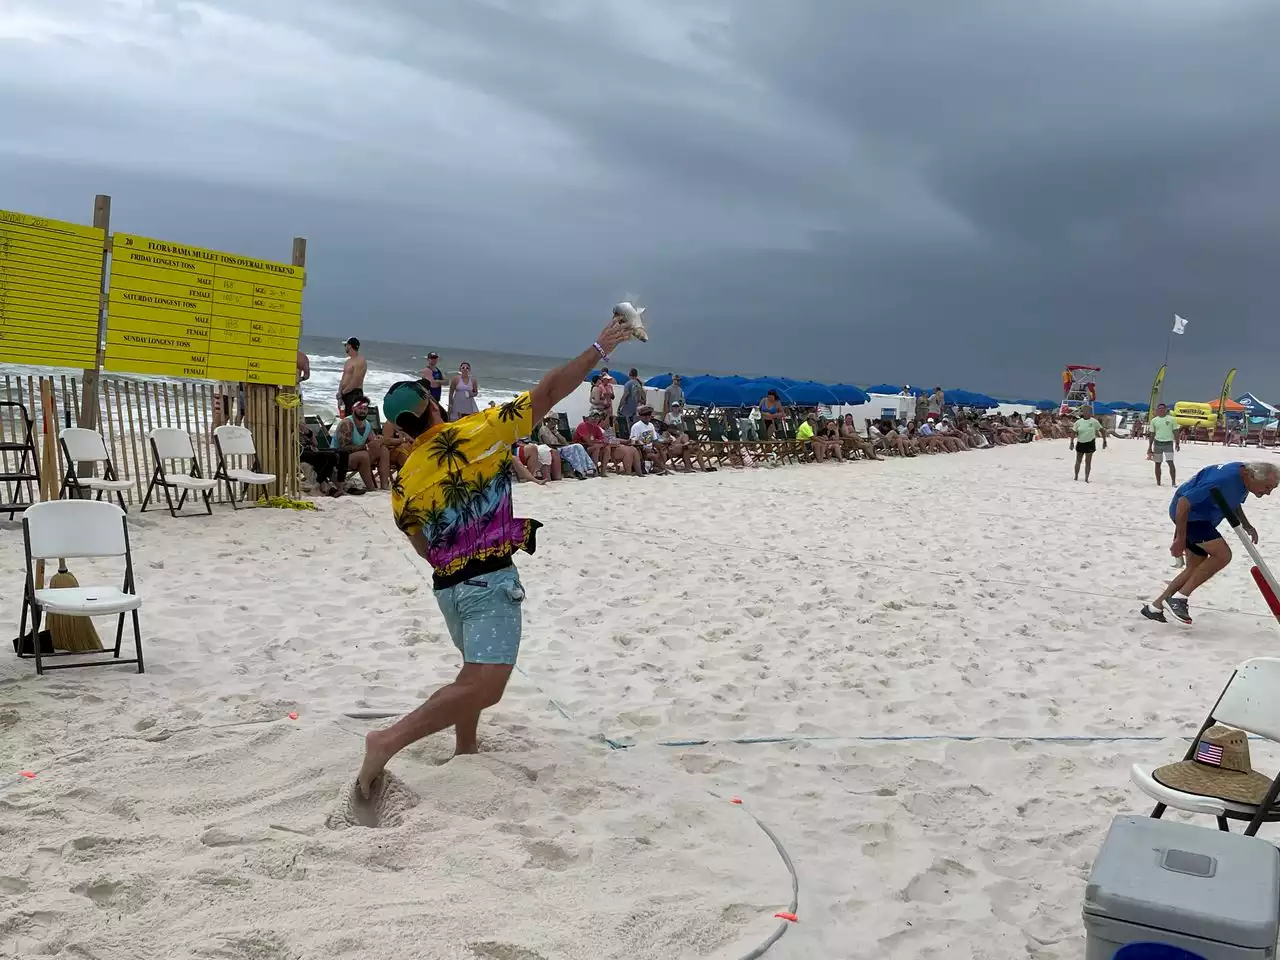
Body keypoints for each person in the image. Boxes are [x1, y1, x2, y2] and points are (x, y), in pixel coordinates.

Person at [356, 314, 634, 796]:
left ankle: (466, 749)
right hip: (489, 579)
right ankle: (387, 740)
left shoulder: (404, 478)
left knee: (472, 671)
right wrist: (599, 347)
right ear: (433, 406)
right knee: (488, 685)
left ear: (399, 426)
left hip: (448, 588)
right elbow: (548, 392)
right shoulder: (474, 433)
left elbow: (420, 545)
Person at [1141, 462, 1279, 624]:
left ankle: (1154, 608)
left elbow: (1230, 501)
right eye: (1268, 487)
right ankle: (1179, 599)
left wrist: (1246, 525)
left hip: (1202, 518)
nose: (1268, 493)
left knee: (1195, 567)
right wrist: (1180, 537)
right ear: (1253, 476)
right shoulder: (1223, 479)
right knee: (1223, 555)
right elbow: (1183, 502)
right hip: (1190, 517)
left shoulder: (1244, 478)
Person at [336, 396, 392, 491]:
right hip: (340, 458)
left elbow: (373, 441)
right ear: (354, 408)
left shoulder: (367, 424)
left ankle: (384, 486)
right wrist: (365, 446)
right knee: (363, 455)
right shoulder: (347, 423)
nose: (363, 411)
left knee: (383, 450)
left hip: (359, 456)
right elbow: (343, 448)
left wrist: (378, 441)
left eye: (365, 409)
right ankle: (371, 489)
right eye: (360, 408)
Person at [538, 414, 594, 478]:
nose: (557, 423)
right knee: (576, 447)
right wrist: (561, 445)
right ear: (550, 419)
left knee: (579, 446)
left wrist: (556, 433)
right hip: (552, 449)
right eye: (556, 421)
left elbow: (564, 441)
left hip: (561, 448)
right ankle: (580, 471)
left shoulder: (555, 431)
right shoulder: (544, 429)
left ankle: (588, 468)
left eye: (557, 422)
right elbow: (547, 443)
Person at [1070, 405, 1106, 482]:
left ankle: (1086, 478)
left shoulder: (1094, 421)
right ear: (1083, 413)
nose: (1088, 413)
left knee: (1088, 462)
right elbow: (1073, 432)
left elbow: (1102, 430)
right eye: (1086, 411)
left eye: (1090, 412)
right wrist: (1071, 442)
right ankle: (1076, 476)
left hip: (1090, 443)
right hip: (1080, 443)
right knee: (1078, 460)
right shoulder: (1078, 422)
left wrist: (1104, 441)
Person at [1147, 402, 1180, 487]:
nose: (1161, 410)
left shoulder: (1172, 419)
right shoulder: (1154, 420)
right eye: (1159, 409)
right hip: (1157, 443)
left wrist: (1177, 443)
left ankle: (1173, 482)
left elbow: (1176, 431)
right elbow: (1152, 434)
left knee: (1170, 462)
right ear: (1157, 410)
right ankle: (1158, 482)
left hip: (1168, 443)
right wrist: (1150, 447)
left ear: (1166, 410)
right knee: (1157, 463)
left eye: (1163, 408)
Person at [629, 406, 670, 474]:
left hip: (651, 448)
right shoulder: (636, 426)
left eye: (649, 414)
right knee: (652, 455)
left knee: (663, 452)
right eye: (645, 415)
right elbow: (633, 441)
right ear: (640, 416)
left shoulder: (651, 425)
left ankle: (657, 468)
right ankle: (664, 469)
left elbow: (655, 440)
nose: (647, 416)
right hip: (641, 451)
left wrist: (660, 447)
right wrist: (644, 448)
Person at [573, 412, 611, 477]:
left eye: (597, 417)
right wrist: (600, 442)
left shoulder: (597, 428)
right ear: (588, 418)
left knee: (607, 448)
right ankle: (594, 471)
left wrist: (599, 442)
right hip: (580, 449)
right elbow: (589, 442)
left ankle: (603, 472)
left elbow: (606, 441)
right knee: (596, 447)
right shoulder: (583, 425)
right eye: (593, 417)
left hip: (590, 447)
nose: (595, 419)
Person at [338, 337, 366, 414]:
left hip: (354, 394)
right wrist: (340, 393)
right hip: (344, 393)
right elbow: (343, 378)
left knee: (352, 419)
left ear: (349, 346)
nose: (345, 347)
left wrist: (343, 393)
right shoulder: (348, 361)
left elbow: (356, 381)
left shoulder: (360, 361)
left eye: (345, 345)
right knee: (345, 418)